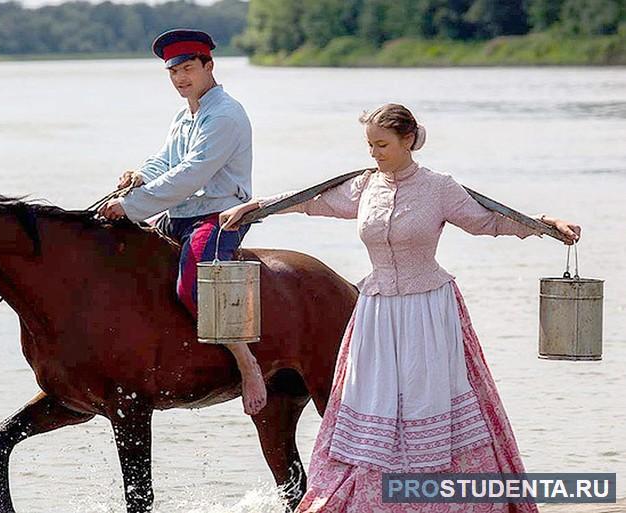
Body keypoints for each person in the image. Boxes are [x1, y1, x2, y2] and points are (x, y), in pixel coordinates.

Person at [220, 103, 581, 512]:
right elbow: (311, 200)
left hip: (429, 310)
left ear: (408, 140)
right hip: (377, 313)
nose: (374, 153)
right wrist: (258, 207)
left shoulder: (439, 187)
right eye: (369, 145)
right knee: (371, 400)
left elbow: (490, 222)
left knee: (428, 400)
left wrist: (543, 225)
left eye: (382, 144)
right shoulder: (365, 186)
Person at [97, 29, 267, 416]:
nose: (180, 79)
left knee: (193, 285)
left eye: (188, 68)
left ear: (209, 65)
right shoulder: (185, 114)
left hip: (220, 216)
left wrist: (131, 206)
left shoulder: (225, 114)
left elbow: (191, 174)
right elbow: (166, 161)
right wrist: (138, 176)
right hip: (180, 215)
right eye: (173, 72)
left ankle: (246, 363)